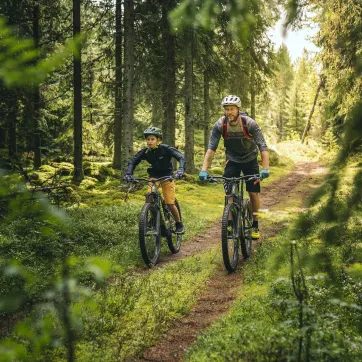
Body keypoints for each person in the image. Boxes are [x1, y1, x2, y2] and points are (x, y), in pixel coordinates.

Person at [199, 95, 270, 239]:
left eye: (231, 109)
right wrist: (204, 170)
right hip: (232, 160)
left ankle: (255, 225)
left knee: (253, 193)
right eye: (226, 109)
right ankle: (230, 224)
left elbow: (262, 146)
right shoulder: (220, 125)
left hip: (250, 160)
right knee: (230, 193)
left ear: (238, 109)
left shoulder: (249, 123)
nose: (228, 112)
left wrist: (265, 168)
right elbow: (211, 148)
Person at [124, 126, 185, 233]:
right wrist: (129, 173)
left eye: (152, 139)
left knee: (170, 203)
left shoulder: (166, 149)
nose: (149, 142)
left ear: (158, 140)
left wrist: (180, 170)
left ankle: (179, 223)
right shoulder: (145, 151)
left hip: (167, 176)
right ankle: (153, 218)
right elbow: (133, 161)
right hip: (154, 176)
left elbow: (180, 157)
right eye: (148, 139)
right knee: (150, 196)